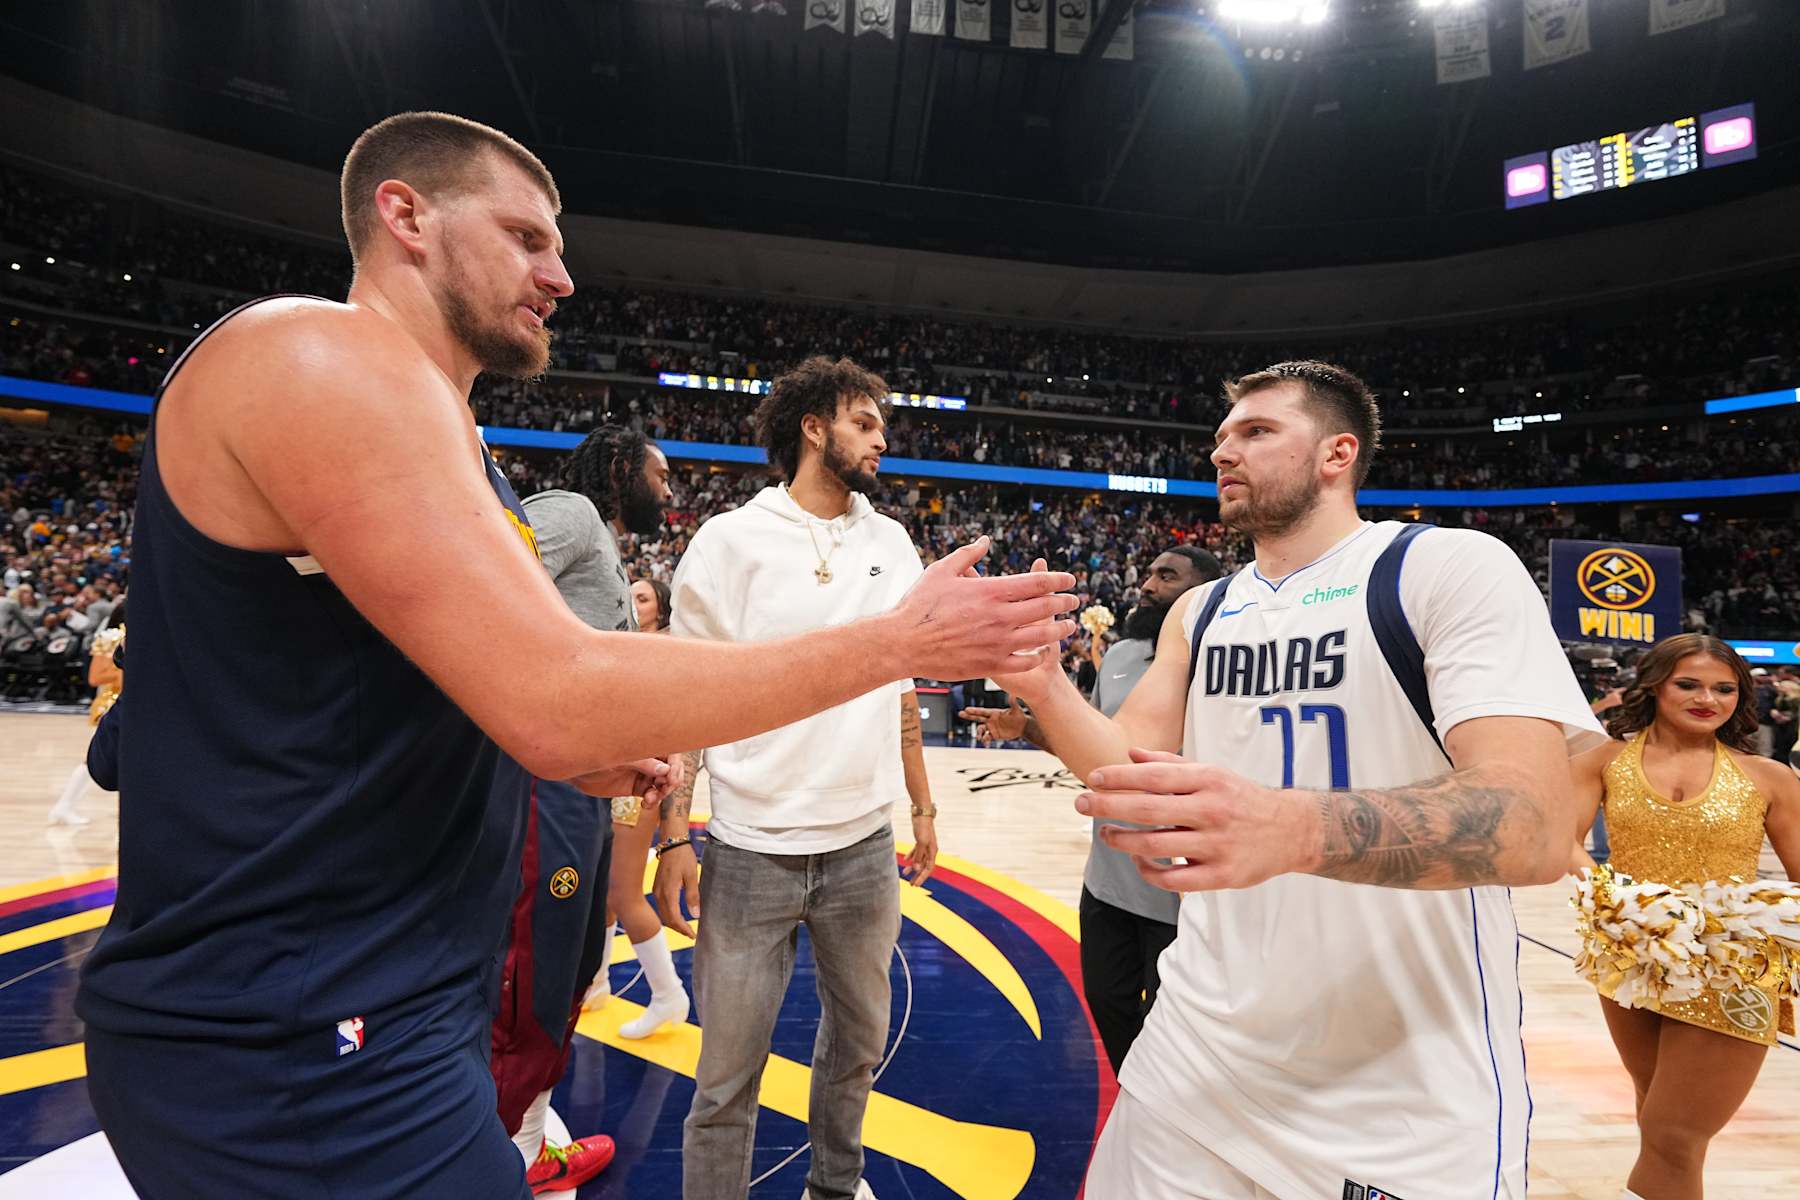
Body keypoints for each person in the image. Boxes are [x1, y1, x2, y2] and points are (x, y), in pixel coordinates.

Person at [73, 111, 1076, 1200]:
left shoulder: (450, 436)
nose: (562, 275)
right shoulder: (315, 353)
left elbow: (419, 690)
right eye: (528, 237)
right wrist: (898, 643)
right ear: (404, 214)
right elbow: (557, 692)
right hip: (293, 1026)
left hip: (378, 1002)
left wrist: (560, 755)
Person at [1001, 360, 1606, 1199]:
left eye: (1256, 432)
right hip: (1196, 1051)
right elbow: (1125, 766)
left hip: (1399, 1085)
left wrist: (1291, 828)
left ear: (1337, 453)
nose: (1224, 453)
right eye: (1220, 438)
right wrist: (1039, 681)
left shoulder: (1443, 566)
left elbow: (1534, 826)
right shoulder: (1201, 610)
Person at [653, 355, 941, 1200]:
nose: (881, 438)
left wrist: (922, 807)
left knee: (857, 1048)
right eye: (863, 422)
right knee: (725, 1076)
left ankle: (833, 1188)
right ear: (813, 427)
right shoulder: (731, 540)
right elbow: (685, 700)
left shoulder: (892, 542)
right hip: (749, 850)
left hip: (862, 846)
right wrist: (675, 833)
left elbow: (900, 690)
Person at [486, 424, 675, 1192]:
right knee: (536, 962)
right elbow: (489, 585)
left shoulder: (602, 540)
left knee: (569, 963)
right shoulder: (566, 509)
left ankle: (526, 1145)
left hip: (584, 780)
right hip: (543, 777)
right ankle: (492, 1160)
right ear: (624, 468)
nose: (668, 491)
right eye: (660, 475)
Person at [960, 545, 1222, 1072]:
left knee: (1181, 1030)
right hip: (1108, 881)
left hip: (1186, 896)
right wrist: (1030, 727)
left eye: (1165, 577)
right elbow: (1099, 757)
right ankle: (1140, 1103)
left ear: (1198, 595)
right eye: (1147, 573)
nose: (1146, 585)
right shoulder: (1123, 656)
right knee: (1109, 1006)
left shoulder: (1221, 666)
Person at [1571, 634, 1800, 1200]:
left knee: (1672, 1132)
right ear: (1654, 686)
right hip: (1627, 953)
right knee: (1656, 1120)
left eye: (1725, 689)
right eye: (1689, 684)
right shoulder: (1604, 761)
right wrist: (1616, 901)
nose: (1708, 699)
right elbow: (1564, 843)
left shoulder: (1767, 775)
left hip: (1732, 961)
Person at [48, 600, 126, 826]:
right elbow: (94, 677)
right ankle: (65, 804)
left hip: (133, 705)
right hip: (111, 703)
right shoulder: (109, 636)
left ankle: (65, 805)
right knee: (95, 760)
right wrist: (124, 672)